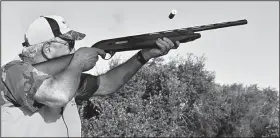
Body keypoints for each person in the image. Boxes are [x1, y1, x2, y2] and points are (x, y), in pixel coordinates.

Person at [0, 15, 180, 137]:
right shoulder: (12, 72)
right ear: (48, 48)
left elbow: (107, 84)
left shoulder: (66, 78)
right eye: (70, 43)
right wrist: (77, 63)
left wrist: (144, 55)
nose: (75, 49)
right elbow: (57, 95)